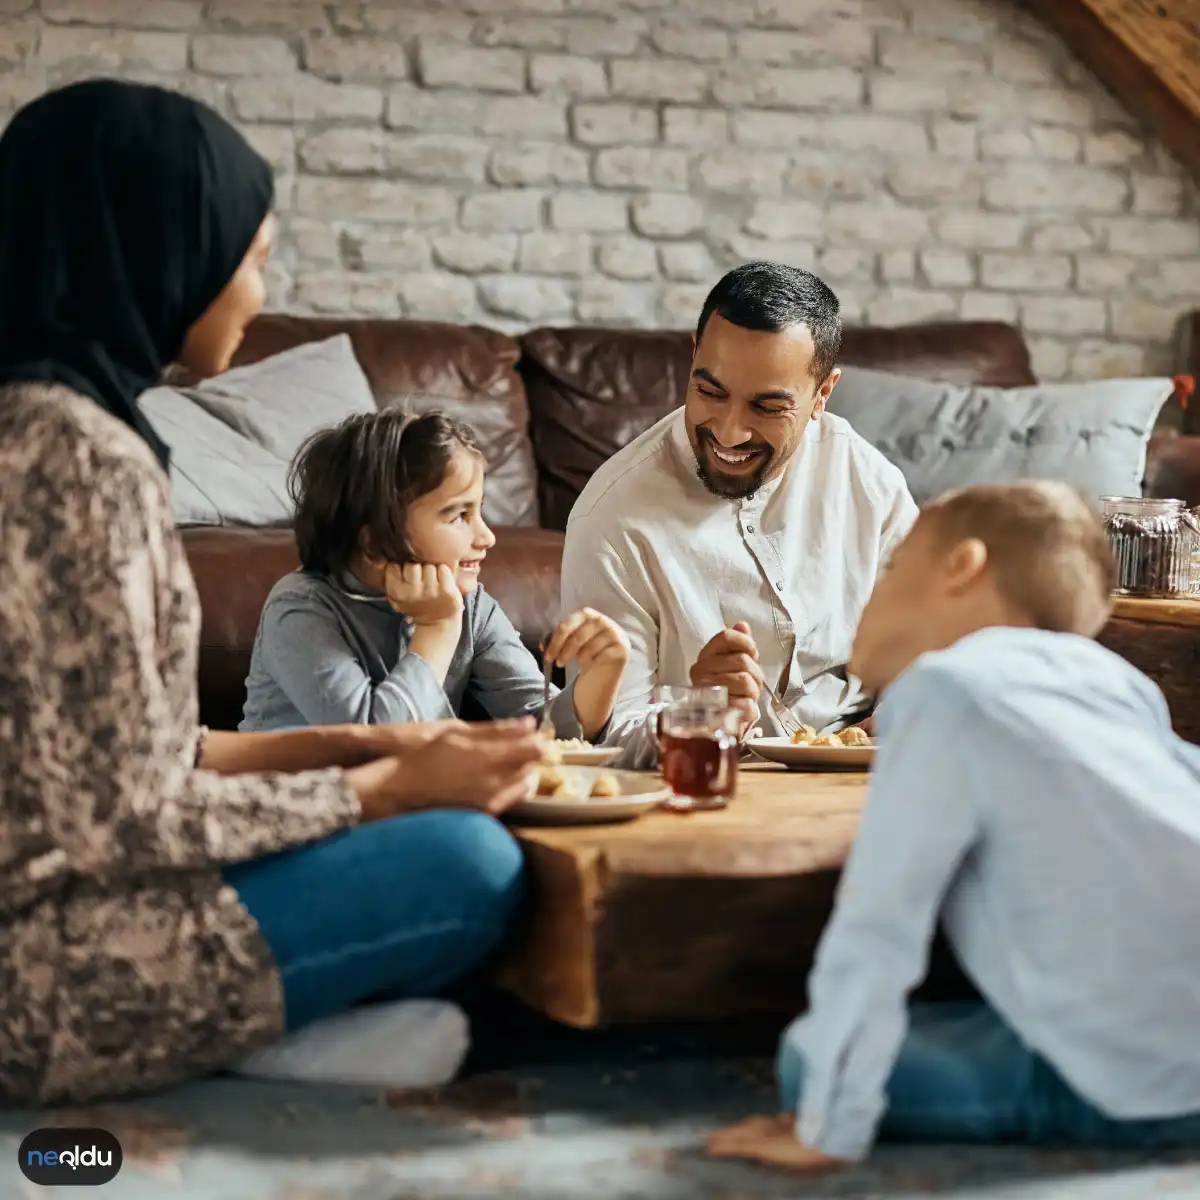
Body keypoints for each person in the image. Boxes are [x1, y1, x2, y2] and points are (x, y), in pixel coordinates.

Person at [0, 79, 546, 1107]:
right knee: (471, 860)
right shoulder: (75, 460)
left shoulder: (36, 426)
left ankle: (279, 1024)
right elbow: (123, 819)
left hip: (69, 897)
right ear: (157, 249)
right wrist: (378, 793)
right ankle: (229, 1035)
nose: (258, 292)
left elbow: (141, 755)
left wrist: (375, 746)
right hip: (49, 969)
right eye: (246, 258)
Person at [709, 482, 1200, 1173]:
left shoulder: (945, 687)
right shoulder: (1118, 684)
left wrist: (827, 1123)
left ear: (962, 567)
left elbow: (879, 923)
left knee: (809, 1059)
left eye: (890, 571)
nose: (870, 600)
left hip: (1144, 1081)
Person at [561, 262, 916, 764]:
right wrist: (698, 714)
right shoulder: (609, 518)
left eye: (767, 408)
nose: (729, 433)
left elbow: (930, 638)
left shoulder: (866, 478)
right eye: (710, 392)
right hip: (723, 780)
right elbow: (603, 735)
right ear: (693, 357)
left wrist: (908, 707)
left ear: (823, 395)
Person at [240, 408, 629, 740]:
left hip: (407, 805)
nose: (487, 536)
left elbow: (542, 729)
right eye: (460, 515)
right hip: (300, 812)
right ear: (374, 543)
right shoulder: (300, 609)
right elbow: (374, 740)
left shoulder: (472, 607)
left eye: (480, 511)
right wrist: (438, 628)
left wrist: (603, 676)